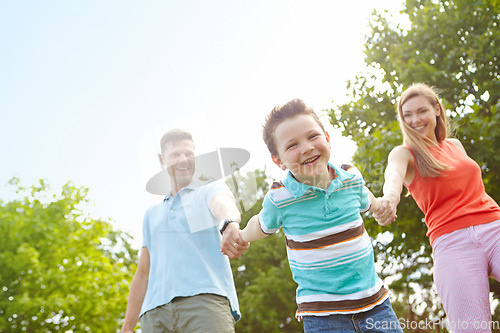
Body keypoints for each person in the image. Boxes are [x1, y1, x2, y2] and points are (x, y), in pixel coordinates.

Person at [223, 99, 403, 332]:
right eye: (292, 145)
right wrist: (242, 235)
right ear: (278, 161)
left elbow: (365, 196)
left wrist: (380, 207)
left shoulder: (350, 177)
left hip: (375, 306)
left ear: (327, 138)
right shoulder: (281, 196)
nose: (307, 148)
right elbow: (261, 224)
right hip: (323, 316)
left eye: (312, 136)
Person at [374, 83, 500, 332]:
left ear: (437, 110)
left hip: (494, 227)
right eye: (407, 115)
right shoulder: (404, 154)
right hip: (452, 244)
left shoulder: (455, 146)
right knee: (471, 328)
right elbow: (393, 176)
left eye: (421, 111)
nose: (414, 120)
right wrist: (389, 197)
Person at [121, 129, 249, 333]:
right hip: (154, 314)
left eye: (189, 154)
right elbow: (144, 272)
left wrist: (229, 222)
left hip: (205, 302)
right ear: (162, 159)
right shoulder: (151, 215)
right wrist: (128, 324)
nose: (183, 159)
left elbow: (224, 204)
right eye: (175, 154)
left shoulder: (208, 190)